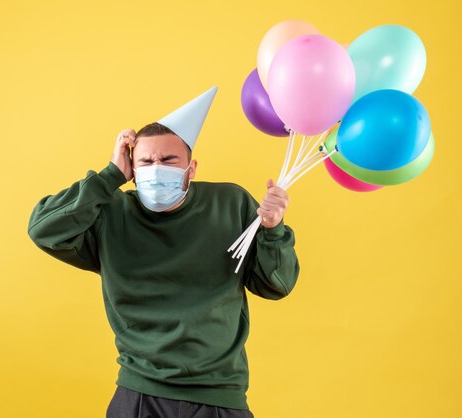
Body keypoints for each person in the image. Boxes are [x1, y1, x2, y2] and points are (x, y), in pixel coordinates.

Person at [27, 86, 300, 418]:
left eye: (169, 160)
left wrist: (273, 229)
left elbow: (276, 284)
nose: (157, 169)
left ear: (192, 168)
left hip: (218, 395)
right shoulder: (111, 213)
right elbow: (44, 230)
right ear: (132, 168)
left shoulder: (231, 203)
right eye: (146, 161)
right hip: (140, 393)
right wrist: (109, 176)